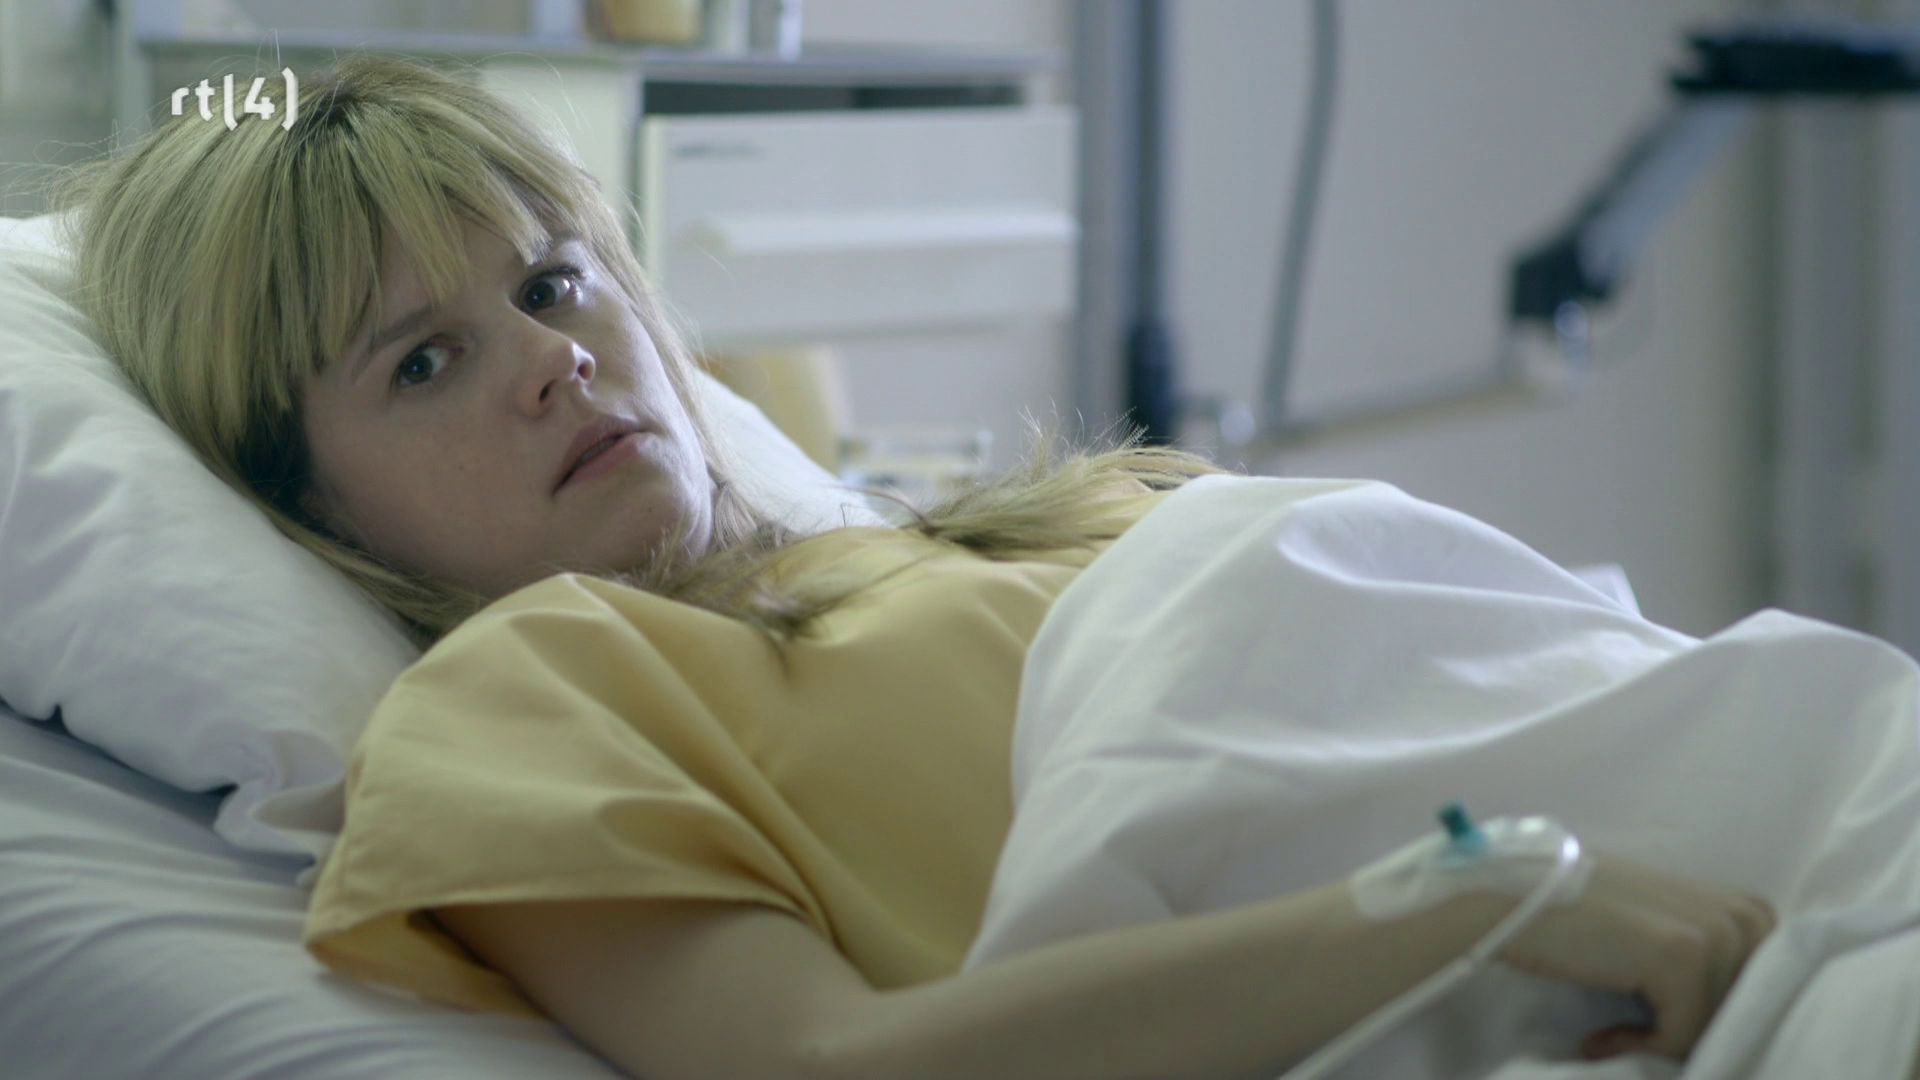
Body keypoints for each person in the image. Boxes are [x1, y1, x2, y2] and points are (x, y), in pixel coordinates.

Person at [57, 55, 1774, 1079]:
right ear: (310, 507)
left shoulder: (1039, 517)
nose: (549, 362)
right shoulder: (531, 697)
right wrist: (1467, 906)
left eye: (552, 283)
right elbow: (822, 1068)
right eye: (422, 362)